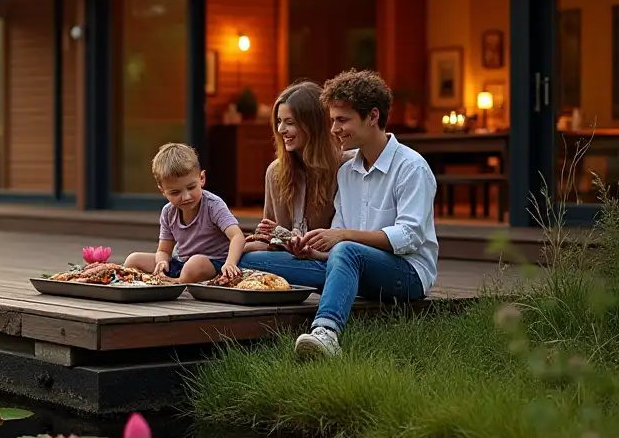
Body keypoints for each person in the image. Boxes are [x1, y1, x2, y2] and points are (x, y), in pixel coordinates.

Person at [239, 70, 438, 358]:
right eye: (332, 120)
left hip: (406, 274)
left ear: (372, 117)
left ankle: (326, 331)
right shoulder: (348, 172)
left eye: (342, 120)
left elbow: (410, 236)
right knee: (253, 258)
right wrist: (309, 251)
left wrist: (342, 238)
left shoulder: (411, 167)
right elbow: (339, 243)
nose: (333, 129)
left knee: (346, 251)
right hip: (354, 266)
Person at [244, 80, 347, 254]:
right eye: (279, 121)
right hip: (288, 258)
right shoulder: (275, 172)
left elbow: (346, 239)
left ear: (313, 125)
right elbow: (268, 235)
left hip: (328, 261)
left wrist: (285, 236)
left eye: (290, 122)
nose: (281, 129)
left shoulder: (345, 167)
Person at [124, 142, 245, 284]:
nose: (186, 196)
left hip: (212, 262)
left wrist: (230, 263)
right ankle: (153, 282)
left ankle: (176, 284)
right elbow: (164, 250)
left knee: (194, 263)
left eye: (191, 187)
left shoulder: (213, 205)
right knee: (133, 259)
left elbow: (237, 236)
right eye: (175, 192)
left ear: (202, 179)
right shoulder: (168, 212)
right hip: (179, 262)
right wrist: (162, 262)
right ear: (163, 191)